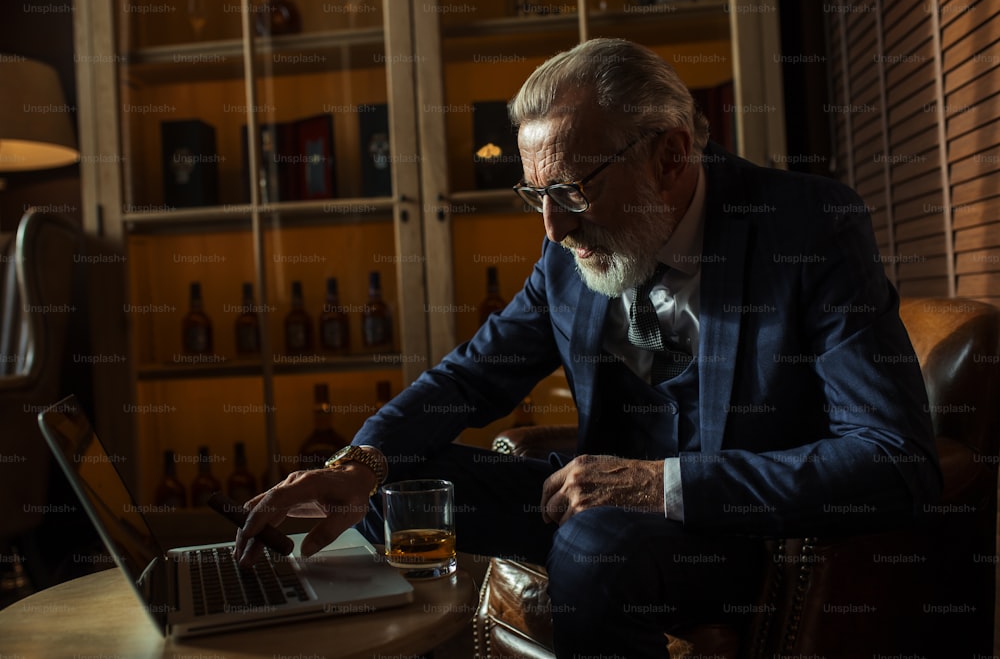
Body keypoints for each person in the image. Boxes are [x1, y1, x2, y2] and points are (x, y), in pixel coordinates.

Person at [234, 38, 941, 657]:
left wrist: (658, 485)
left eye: (571, 189)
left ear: (670, 155)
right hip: (591, 516)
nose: (552, 227)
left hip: (734, 533)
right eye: (534, 193)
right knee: (402, 483)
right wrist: (358, 462)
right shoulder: (568, 252)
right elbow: (471, 376)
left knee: (594, 549)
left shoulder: (807, 227)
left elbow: (895, 459)